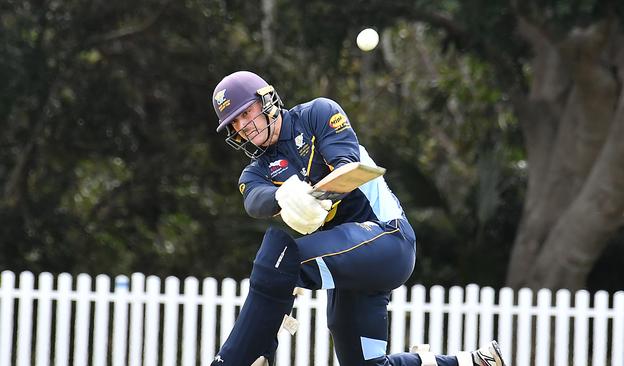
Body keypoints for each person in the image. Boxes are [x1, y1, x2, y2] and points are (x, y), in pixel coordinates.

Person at [209, 70, 506, 366]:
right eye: (234, 122)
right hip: (348, 264)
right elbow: (254, 200)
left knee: (279, 257)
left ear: (267, 101)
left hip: (388, 239)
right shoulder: (255, 171)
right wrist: (282, 196)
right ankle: (472, 362)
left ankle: (235, 361)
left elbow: (347, 168)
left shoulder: (317, 114)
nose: (242, 126)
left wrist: (313, 196)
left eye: (246, 113)